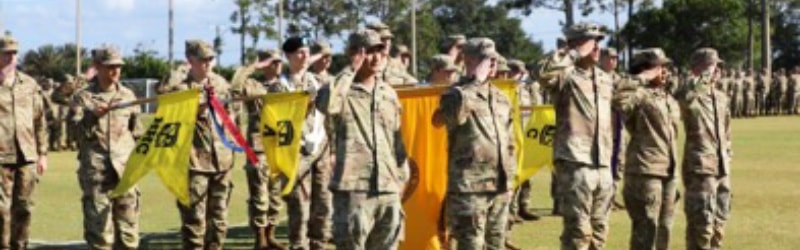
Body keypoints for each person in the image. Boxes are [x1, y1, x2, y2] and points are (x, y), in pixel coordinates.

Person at [316, 28, 408, 250]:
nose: (376, 58)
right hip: (354, 188)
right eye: (368, 51)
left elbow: (396, 139)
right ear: (354, 53)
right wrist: (351, 69)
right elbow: (327, 105)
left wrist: (401, 174)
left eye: (380, 51)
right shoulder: (340, 89)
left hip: (387, 186)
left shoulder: (388, 93)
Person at [538, 22, 615, 250]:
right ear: (577, 44)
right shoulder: (566, 75)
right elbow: (542, 73)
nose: (596, 48)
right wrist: (573, 53)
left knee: (599, 232)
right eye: (591, 42)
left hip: (602, 162)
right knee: (578, 231)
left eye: (599, 42)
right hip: (575, 161)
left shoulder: (604, 78)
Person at [434, 37, 516, 250]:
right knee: (471, 245)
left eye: (493, 60)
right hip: (470, 187)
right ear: (468, 61)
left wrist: (510, 179)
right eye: (485, 60)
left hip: (499, 185)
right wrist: (474, 82)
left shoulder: (501, 98)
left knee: (496, 244)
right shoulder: (456, 94)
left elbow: (509, 143)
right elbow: (449, 117)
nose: (492, 65)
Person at [161, 40, 236, 250]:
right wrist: (194, 111)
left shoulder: (221, 84)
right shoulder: (180, 90)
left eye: (210, 59)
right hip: (194, 163)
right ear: (190, 61)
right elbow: (170, 122)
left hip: (222, 161)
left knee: (219, 220)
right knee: (194, 221)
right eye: (202, 60)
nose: (207, 64)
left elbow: (232, 118)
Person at [71, 46, 142, 250]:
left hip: (125, 173)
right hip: (97, 174)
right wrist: (92, 116)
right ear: (98, 67)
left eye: (118, 66)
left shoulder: (128, 96)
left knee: (129, 237)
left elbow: (136, 133)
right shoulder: (83, 97)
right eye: (110, 66)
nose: (115, 71)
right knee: (100, 237)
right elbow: (74, 133)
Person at [613, 48, 679, 250]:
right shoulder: (638, 94)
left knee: (664, 228)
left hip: (668, 168)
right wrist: (642, 78)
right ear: (647, 69)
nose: (665, 71)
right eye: (661, 66)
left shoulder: (665, 96)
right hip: (645, 169)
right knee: (646, 229)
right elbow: (617, 99)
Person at [271, 36, 329, 250]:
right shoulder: (279, 86)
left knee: (323, 206)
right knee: (299, 210)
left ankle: (319, 245)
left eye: (306, 52)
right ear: (288, 56)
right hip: (295, 154)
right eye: (299, 53)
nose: (305, 56)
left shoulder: (319, 82)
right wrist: (304, 102)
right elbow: (278, 119)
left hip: (321, 151)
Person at [675, 48, 733, 250]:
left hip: (722, 169)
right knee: (701, 227)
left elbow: (727, 133)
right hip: (700, 169)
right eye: (712, 65)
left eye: (718, 66)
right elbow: (682, 95)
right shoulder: (691, 95)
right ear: (697, 69)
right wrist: (703, 77)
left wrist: (728, 156)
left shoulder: (721, 98)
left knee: (719, 224)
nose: (717, 70)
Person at [231, 49, 288, 250]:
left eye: (279, 62)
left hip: (280, 146)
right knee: (259, 195)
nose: (277, 65)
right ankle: (260, 238)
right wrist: (253, 67)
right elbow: (235, 87)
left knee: (275, 195)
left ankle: (271, 233)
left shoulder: (287, 85)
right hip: (258, 147)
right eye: (273, 62)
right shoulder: (254, 86)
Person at [0, 34, 48, 250]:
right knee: (1, 210)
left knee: (24, 208)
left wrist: (43, 154)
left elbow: (39, 121)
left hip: (26, 156)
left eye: (14, 53)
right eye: (6, 53)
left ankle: (20, 246)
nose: (11, 57)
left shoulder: (29, 84)